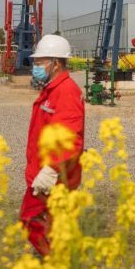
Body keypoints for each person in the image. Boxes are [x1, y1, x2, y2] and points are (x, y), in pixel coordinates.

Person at [19, 34, 84, 256]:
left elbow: (70, 139)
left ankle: (59, 267)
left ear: (55, 64)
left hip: (55, 178)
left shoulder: (66, 92)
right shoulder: (51, 89)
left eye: (39, 63)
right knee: (43, 226)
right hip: (44, 175)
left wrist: (50, 170)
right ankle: (59, 264)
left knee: (34, 221)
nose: (35, 67)